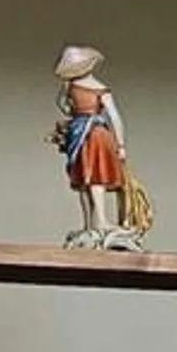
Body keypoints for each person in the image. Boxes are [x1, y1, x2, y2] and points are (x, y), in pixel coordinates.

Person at [50, 47, 145, 245]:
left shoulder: (69, 87)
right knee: (95, 178)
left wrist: (74, 111)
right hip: (96, 134)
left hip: (78, 132)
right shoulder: (100, 89)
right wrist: (120, 144)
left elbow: (61, 104)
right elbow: (115, 118)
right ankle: (99, 221)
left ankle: (89, 224)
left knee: (83, 179)